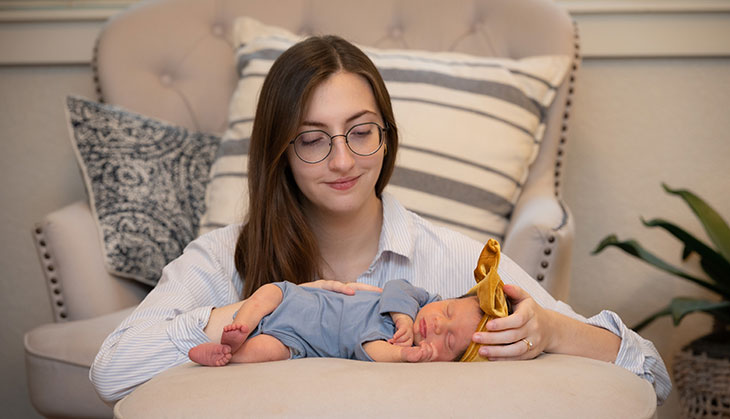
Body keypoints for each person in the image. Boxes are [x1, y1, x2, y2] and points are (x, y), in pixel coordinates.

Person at [90, 35, 671, 404]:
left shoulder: (455, 260)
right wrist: (246, 311)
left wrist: (550, 328)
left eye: (362, 132)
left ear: (386, 135)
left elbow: (649, 368)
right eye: (313, 140)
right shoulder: (224, 257)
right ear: (280, 151)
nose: (343, 160)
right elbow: (112, 369)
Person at [188, 279, 482, 365]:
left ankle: (225, 353)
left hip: (296, 341)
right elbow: (397, 286)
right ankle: (242, 326)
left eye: (449, 341)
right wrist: (402, 316)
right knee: (265, 294)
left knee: (267, 352)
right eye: (449, 311)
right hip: (295, 297)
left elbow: (369, 350)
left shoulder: (391, 344)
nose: (440, 326)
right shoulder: (417, 300)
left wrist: (404, 354)